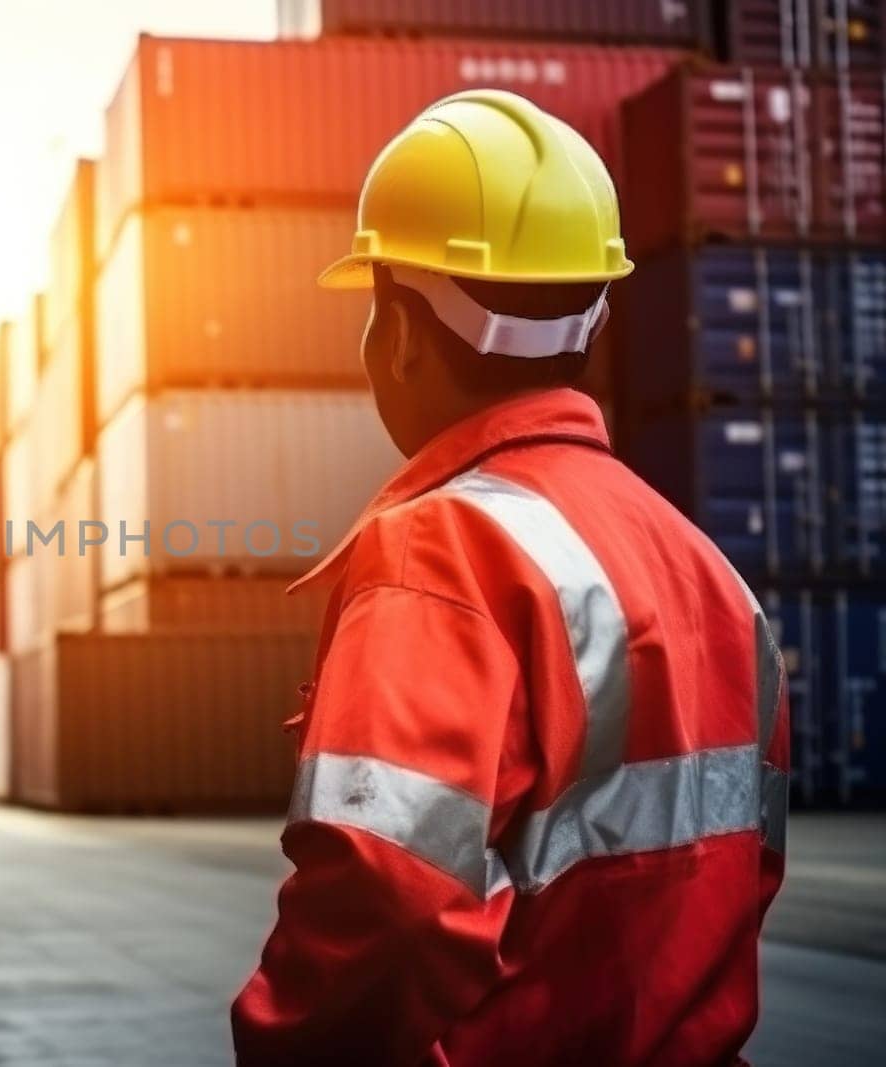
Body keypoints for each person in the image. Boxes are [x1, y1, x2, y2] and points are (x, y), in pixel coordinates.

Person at [231, 90, 788, 1066]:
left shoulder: (439, 550)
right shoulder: (715, 580)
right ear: (593, 321)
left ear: (400, 332)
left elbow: (387, 900)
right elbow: (743, 872)